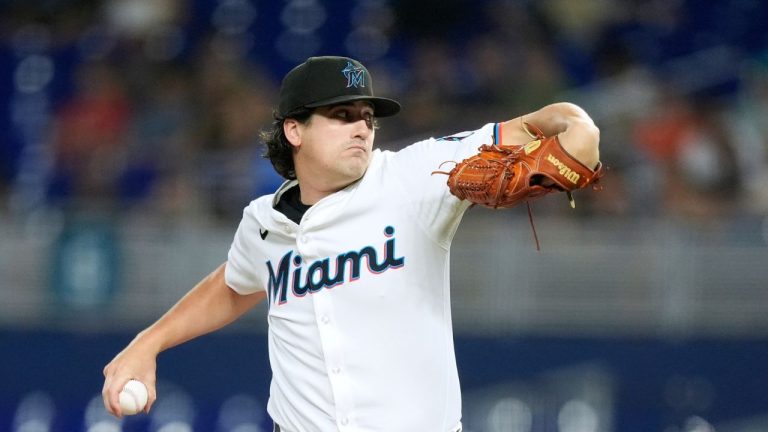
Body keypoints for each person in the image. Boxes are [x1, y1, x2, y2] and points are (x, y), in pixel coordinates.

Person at [102, 56, 601, 431]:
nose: (362, 126)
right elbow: (235, 285)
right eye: (342, 114)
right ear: (294, 130)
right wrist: (148, 344)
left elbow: (552, 124)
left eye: (367, 115)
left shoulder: (413, 177)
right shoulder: (263, 222)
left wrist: (579, 130)